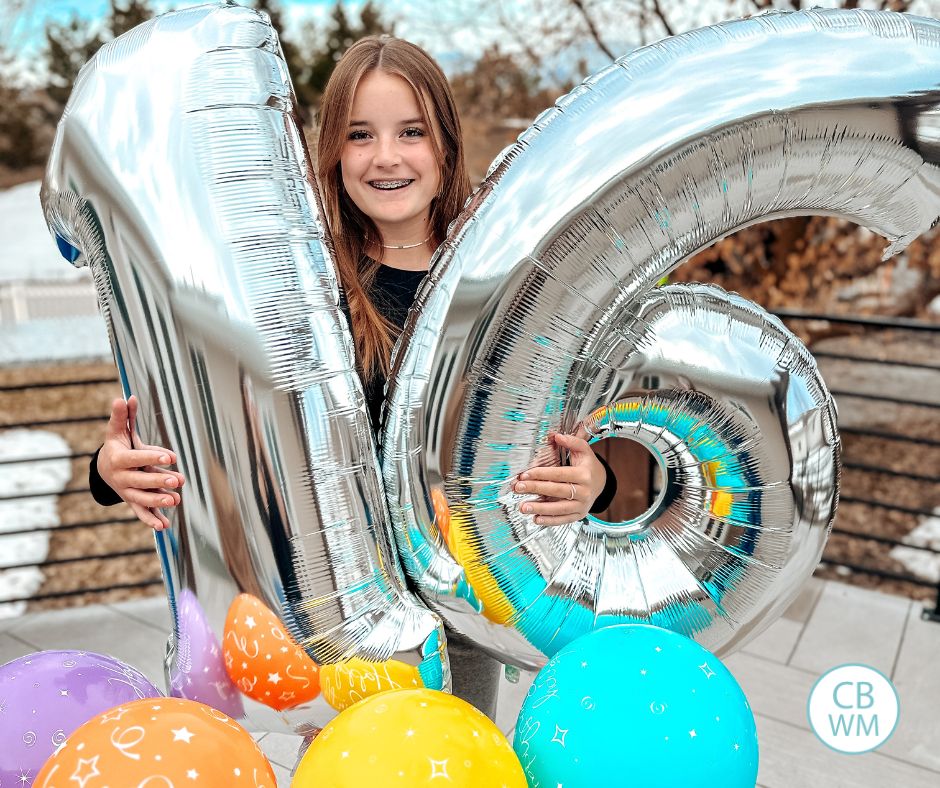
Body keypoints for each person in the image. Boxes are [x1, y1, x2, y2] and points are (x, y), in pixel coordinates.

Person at [88, 35, 617, 721]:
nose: (387, 157)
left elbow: (582, 437)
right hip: (338, 644)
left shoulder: (505, 288)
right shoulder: (301, 293)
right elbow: (223, 436)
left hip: (465, 625)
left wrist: (594, 482)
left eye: (412, 133)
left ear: (447, 147)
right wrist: (112, 468)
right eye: (360, 135)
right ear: (333, 153)